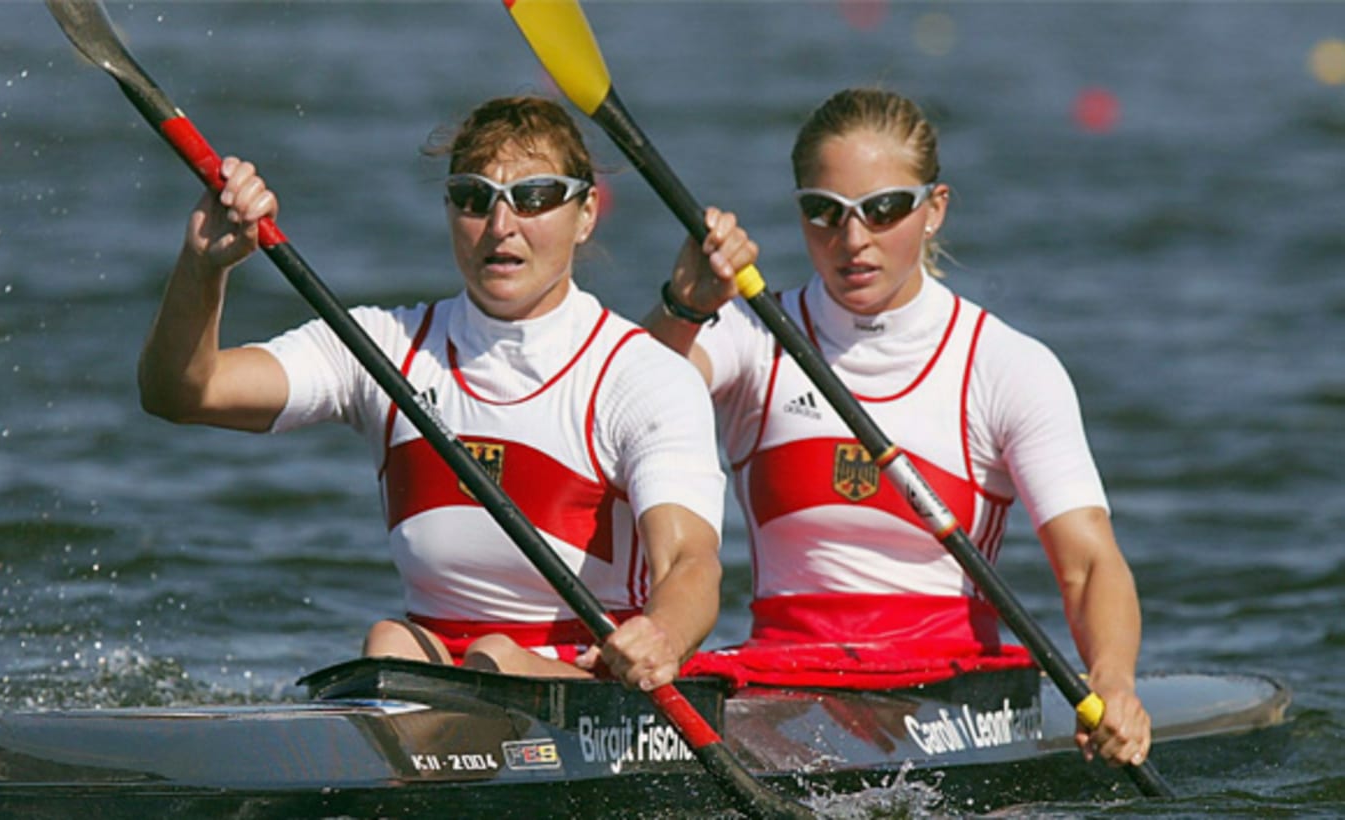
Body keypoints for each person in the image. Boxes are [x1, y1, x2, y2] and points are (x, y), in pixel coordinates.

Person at [137, 95, 725, 692]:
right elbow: (183, 392)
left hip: (593, 683)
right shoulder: (383, 348)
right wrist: (203, 266)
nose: (501, 225)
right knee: (389, 643)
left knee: (495, 657)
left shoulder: (641, 375)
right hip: (431, 673)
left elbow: (689, 561)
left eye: (534, 197)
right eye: (474, 198)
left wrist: (663, 635)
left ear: (587, 213)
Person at [646, 87, 1153, 766]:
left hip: (952, 699)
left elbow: (1088, 566)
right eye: (825, 212)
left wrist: (1113, 682)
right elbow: (627, 401)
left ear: (934, 208)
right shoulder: (752, 336)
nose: (853, 240)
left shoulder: (1005, 366)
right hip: (783, 690)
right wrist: (683, 306)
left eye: (883, 211)